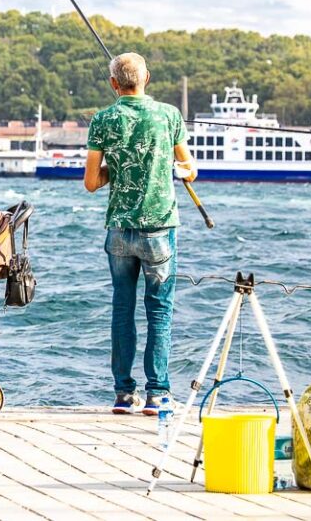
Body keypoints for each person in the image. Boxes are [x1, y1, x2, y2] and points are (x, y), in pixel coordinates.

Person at [84, 52, 197, 416]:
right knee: (159, 310)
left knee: (122, 309)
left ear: (113, 84)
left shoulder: (102, 119)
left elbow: (90, 182)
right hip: (160, 228)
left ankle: (123, 394)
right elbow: (189, 170)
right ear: (146, 77)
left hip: (119, 228)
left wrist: (117, 169)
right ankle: (158, 394)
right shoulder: (169, 115)